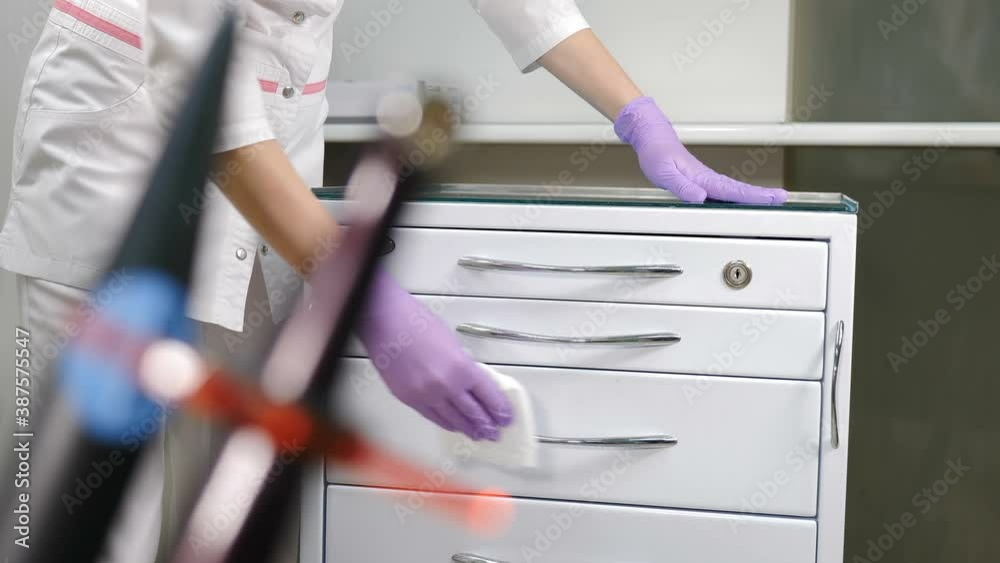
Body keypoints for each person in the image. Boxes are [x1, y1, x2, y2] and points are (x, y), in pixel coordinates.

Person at [0, 0, 789, 561]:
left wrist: (637, 115)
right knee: (82, 512)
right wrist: (364, 297)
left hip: (275, 131)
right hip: (118, 143)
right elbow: (212, 107)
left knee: (223, 508)